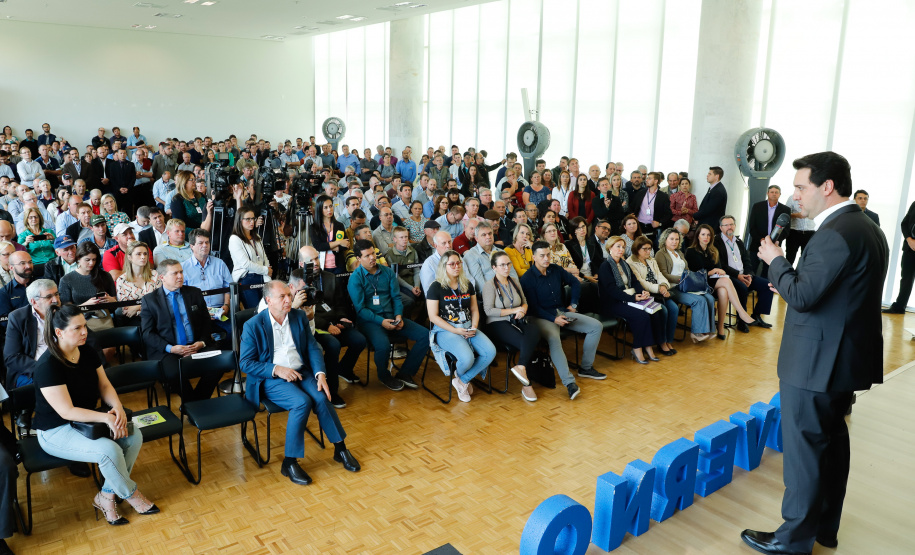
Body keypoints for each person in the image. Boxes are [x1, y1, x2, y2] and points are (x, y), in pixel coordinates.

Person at [743, 151, 889, 555]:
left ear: (826, 187)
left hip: (816, 363)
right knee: (831, 445)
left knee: (805, 453)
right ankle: (824, 528)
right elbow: (835, 291)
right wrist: (789, 279)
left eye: (800, 187)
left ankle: (792, 540)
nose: (794, 197)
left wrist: (776, 263)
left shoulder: (833, 233)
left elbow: (804, 296)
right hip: (842, 360)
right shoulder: (866, 227)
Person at [32, 304, 158, 526]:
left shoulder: (87, 351)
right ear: (59, 332)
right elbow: (66, 411)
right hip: (56, 429)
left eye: (85, 326)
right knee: (108, 451)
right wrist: (107, 418)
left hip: (89, 421)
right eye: (77, 328)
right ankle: (132, 495)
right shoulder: (48, 365)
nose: (84, 332)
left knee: (133, 435)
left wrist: (117, 407)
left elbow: (105, 385)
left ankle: (106, 496)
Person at [240, 280, 360, 486]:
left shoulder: (298, 317)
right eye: (282, 297)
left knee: (322, 397)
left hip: (301, 371)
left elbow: (313, 347)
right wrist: (277, 369)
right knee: (301, 402)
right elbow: (246, 363)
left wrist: (320, 373)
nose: (289, 300)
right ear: (268, 300)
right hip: (271, 377)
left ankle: (340, 449)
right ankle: (289, 462)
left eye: (289, 295)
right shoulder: (253, 325)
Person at [521, 240, 606, 400]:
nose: (546, 258)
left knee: (596, 326)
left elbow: (574, 282)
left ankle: (586, 368)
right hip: (541, 316)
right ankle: (569, 383)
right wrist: (554, 319)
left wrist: (573, 304)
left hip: (562, 311)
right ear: (534, 257)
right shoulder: (527, 278)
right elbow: (534, 307)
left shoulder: (556, 269)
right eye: (542, 256)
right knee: (554, 339)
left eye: (548, 255)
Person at [348, 239, 430, 391]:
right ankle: (384, 376)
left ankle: (405, 373)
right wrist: (381, 321)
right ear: (359, 259)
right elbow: (360, 309)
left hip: (393, 317)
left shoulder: (387, 272)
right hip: (370, 321)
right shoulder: (355, 278)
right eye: (367, 256)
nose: (372, 257)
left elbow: (396, 298)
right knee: (383, 345)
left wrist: (398, 316)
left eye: (373, 253)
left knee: (426, 335)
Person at [140, 259, 221, 401]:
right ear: (162, 277)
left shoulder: (194, 293)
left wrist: (201, 342)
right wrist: (171, 349)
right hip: (168, 350)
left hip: (196, 345)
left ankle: (195, 404)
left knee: (219, 364)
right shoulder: (150, 300)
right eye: (175, 273)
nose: (180, 276)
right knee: (173, 373)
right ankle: (194, 404)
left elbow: (206, 321)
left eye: (181, 272)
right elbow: (147, 333)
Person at [425, 251, 496, 402]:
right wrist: (455, 330)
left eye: (459, 263)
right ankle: (464, 380)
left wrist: (474, 326)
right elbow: (433, 317)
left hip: (469, 326)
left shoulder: (467, 284)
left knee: (490, 352)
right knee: (467, 358)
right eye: (452, 264)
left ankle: (462, 380)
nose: (457, 266)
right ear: (444, 266)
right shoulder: (436, 287)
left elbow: (475, 309)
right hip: (445, 329)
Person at [482, 251, 540, 402]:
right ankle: (527, 385)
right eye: (502, 265)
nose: (506, 268)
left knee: (535, 330)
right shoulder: (489, 285)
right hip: (497, 323)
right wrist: (514, 310)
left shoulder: (514, 280)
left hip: (517, 319)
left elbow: (524, 301)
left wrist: (523, 310)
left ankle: (521, 367)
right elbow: (488, 311)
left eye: (508, 264)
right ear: (494, 267)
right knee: (524, 341)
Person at [597, 236, 665, 363]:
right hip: (613, 303)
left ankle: (649, 346)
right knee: (641, 316)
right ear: (610, 248)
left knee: (655, 311)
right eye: (618, 246)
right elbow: (612, 290)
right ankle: (637, 348)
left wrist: (641, 292)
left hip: (628, 298)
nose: (621, 250)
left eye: (623, 247)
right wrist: (633, 298)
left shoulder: (624, 264)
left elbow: (634, 281)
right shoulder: (605, 266)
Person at [686, 224, 757, 339]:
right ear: (698, 236)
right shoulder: (691, 251)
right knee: (725, 281)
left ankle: (720, 328)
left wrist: (718, 271)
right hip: (698, 284)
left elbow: (719, 269)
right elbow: (694, 273)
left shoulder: (713, 250)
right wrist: (712, 271)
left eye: (709, 235)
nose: (706, 237)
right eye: (703, 234)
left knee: (724, 291)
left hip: (713, 283)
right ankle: (742, 313)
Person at [714, 215, 775, 330]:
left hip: (744, 275)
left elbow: (747, 261)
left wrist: (749, 275)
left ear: (735, 226)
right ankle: (742, 320)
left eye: (731, 224)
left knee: (768, 285)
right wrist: (738, 275)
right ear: (721, 228)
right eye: (726, 225)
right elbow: (721, 265)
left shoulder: (739, 241)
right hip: (729, 277)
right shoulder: (716, 242)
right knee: (742, 288)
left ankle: (757, 315)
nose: (729, 227)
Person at [654, 228, 715, 342]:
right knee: (699, 301)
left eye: (677, 239)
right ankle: (696, 333)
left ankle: (708, 329)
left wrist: (689, 278)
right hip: (673, 287)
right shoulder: (660, 254)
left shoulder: (680, 253)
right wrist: (681, 279)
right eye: (671, 239)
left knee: (710, 298)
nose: (674, 242)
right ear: (665, 239)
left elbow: (687, 270)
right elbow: (663, 274)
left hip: (686, 284)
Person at [626, 236, 678, 355]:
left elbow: (659, 275)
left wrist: (664, 285)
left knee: (674, 309)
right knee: (663, 310)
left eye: (650, 249)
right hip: (646, 294)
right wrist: (659, 288)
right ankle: (661, 342)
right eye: (645, 249)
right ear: (637, 249)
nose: (648, 251)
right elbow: (640, 282)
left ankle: (669, 340)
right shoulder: (631, 262)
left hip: (659, 292)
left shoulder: (651, 259)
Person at [181, 229, 231, 333]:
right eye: (200, 243)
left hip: (220, 311)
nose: (205, 245)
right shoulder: (183, 268)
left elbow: (229, 288)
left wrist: (226, 306)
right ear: (191, 246)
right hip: (196, 312)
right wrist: (200, 311)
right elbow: (182, 295)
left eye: (207, 242)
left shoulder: (220, 263)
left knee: (232, 332)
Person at [747, 185, 792, 275]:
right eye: (772, 192)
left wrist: (774, 241)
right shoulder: (757, 206)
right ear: (767, 193)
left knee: (767, 273)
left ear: (780, 195)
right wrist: (761, 239)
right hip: (757, 244)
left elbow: (786, 230)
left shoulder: (786, 210)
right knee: (751, 270)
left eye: (776, 192)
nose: (774, 194)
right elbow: (752, 226)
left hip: (774, 247)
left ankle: (763, 288)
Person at [116, 241, 160, 327]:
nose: (143, 257)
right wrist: (147, 306)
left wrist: (138, 307)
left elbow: (159, 300)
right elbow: (127, 309)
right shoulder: (122, 280)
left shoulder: (154, 275)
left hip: (155, 317)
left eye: (145, 254)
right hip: (133, 320)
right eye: (138, 254)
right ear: (129, 257)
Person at [463, 221, 516, 291]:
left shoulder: (502, 252)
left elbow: (514, 276)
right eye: (484, 235)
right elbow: (481, 287)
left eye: (490, 233)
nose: (488, 237)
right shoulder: (471, 256)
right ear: (476, 238)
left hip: (510, 291)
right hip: (491, 296)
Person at [885, 199, 915, 314]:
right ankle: (899, 307)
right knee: (906, 279)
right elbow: (904, 223)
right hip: (910, 247)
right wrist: (909, 240)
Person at [631, 172, 672, 248]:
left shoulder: (663, 196)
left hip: (653, 229)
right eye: (647, 178)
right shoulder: (641, 193)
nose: (647, 180)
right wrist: (632, 216)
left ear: (656, 181)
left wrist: (660, 223)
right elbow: (632, 207)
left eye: (649, 178)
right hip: (639, 226)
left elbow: (668, 214)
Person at [310, 195, 348, 274]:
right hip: (322, 265)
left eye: (331, 206)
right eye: (325, 207)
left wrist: (326, 246)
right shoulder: (314, 227)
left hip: (339, 265)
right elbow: (318, 246)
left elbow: (345, 245)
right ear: (320, 209)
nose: (329, 210)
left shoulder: (339, 225)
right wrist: (339, 242)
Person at [0, 251, 35, 326]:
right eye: (22, 263)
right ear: (11, 267)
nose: (28, 266)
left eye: (30, 262)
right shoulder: (4, 293)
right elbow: (6, 323)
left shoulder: (41, 284)